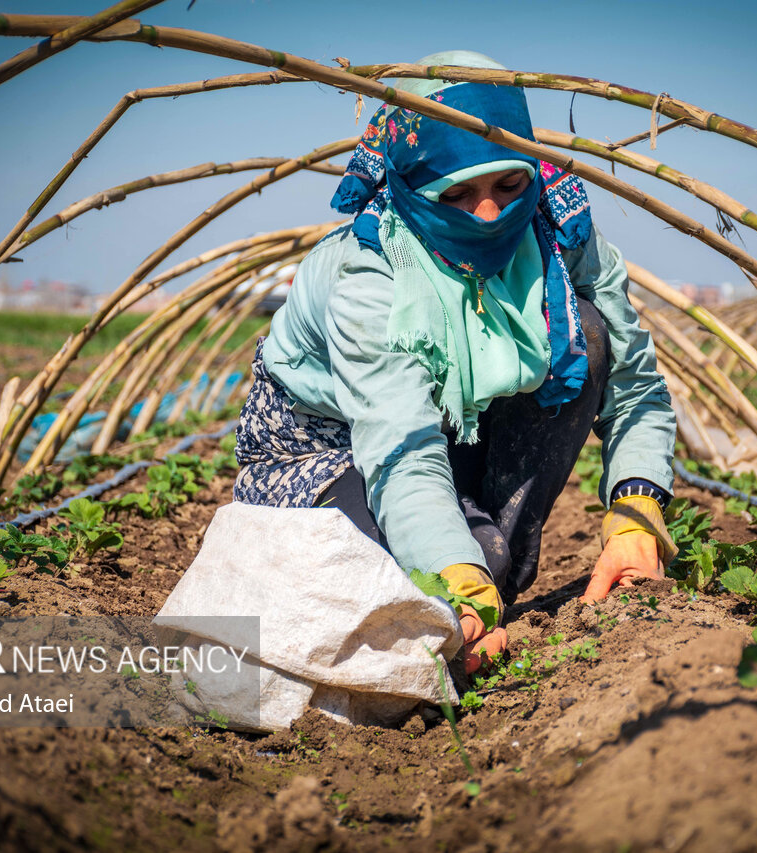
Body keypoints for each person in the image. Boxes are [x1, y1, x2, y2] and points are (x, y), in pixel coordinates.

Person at [232, 51, 677, 673]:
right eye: (458, 193)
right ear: (415, 184)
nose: (491, 214)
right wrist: (460, 585)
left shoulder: (561, 232)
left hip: (458, 425)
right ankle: (477, 566)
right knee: (413, 598)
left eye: (508, 185)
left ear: (531, 172)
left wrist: (637, 512)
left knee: (589, 334)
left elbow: (635, 389)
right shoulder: (370, 269)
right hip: (329, 447)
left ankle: (489, 558)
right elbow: (401, 447)